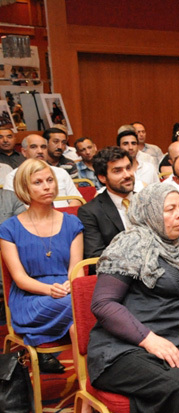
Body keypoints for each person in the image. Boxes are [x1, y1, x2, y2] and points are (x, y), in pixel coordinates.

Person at [88, 183, 179, 413]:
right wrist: (148, 339)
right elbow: (103, 304)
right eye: (169, 209)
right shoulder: (131, 243)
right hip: (125, 346)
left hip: (178, 339)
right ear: (151, 212)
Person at [0, 159, 84, 373]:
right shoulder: (9, 229)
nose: (47, 187)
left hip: (67, 291)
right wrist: (50, 290)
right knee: (88, 309)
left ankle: (87, 389)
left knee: (80, 321)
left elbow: (77, 270)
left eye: (49, 180)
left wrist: (68, 286)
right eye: (38, 182)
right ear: (24, 188)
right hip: (31, 298)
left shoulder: (72, 223)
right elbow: (19, 279)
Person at [78, 147, 135, 259]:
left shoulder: (147, 201)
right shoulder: (90, 212)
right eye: (117, 171)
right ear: (102, 178)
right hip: (119, 272)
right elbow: (96, 256)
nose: (127, 175)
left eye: (128, 168)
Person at [4, 134, 83, 208]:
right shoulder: (13, 176)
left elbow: (77, 199)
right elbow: (11, 207)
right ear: (24, 152)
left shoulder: (61, 172)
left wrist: (64, 216)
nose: (40, 151)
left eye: (43, 147)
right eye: (33, 147)